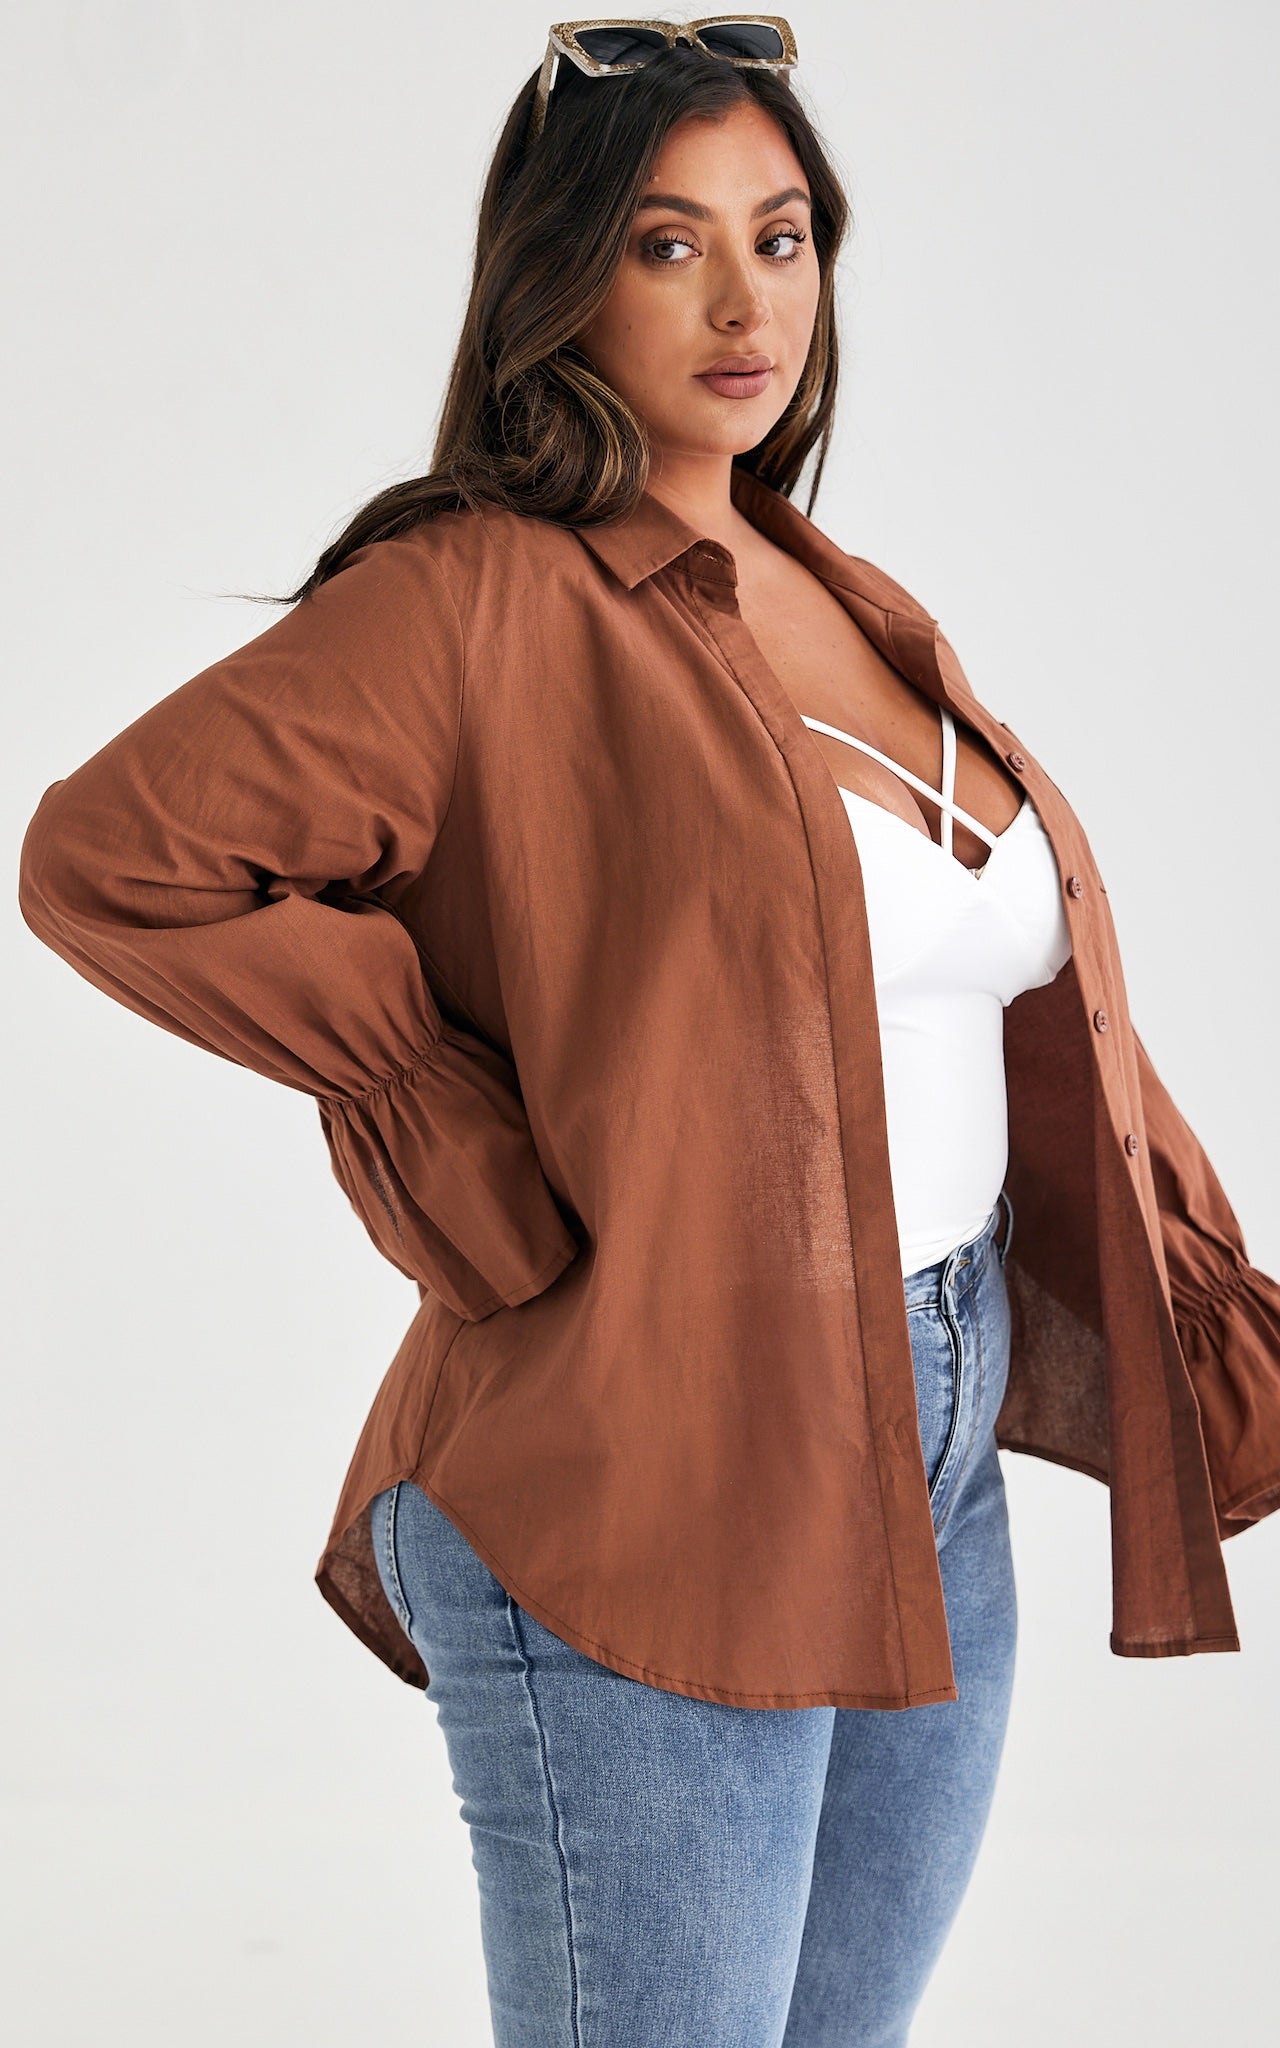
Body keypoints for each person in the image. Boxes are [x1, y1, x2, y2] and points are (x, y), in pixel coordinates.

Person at [17, 20, 1280, 2047]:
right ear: (559, 277)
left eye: (781, 238)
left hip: (926, 1434)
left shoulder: (841, 594)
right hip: (647, 1455)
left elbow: (1003, 1002)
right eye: (668, 245)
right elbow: (108, 858)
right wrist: (427, 1097)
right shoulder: (472, 599)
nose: (744, 304)